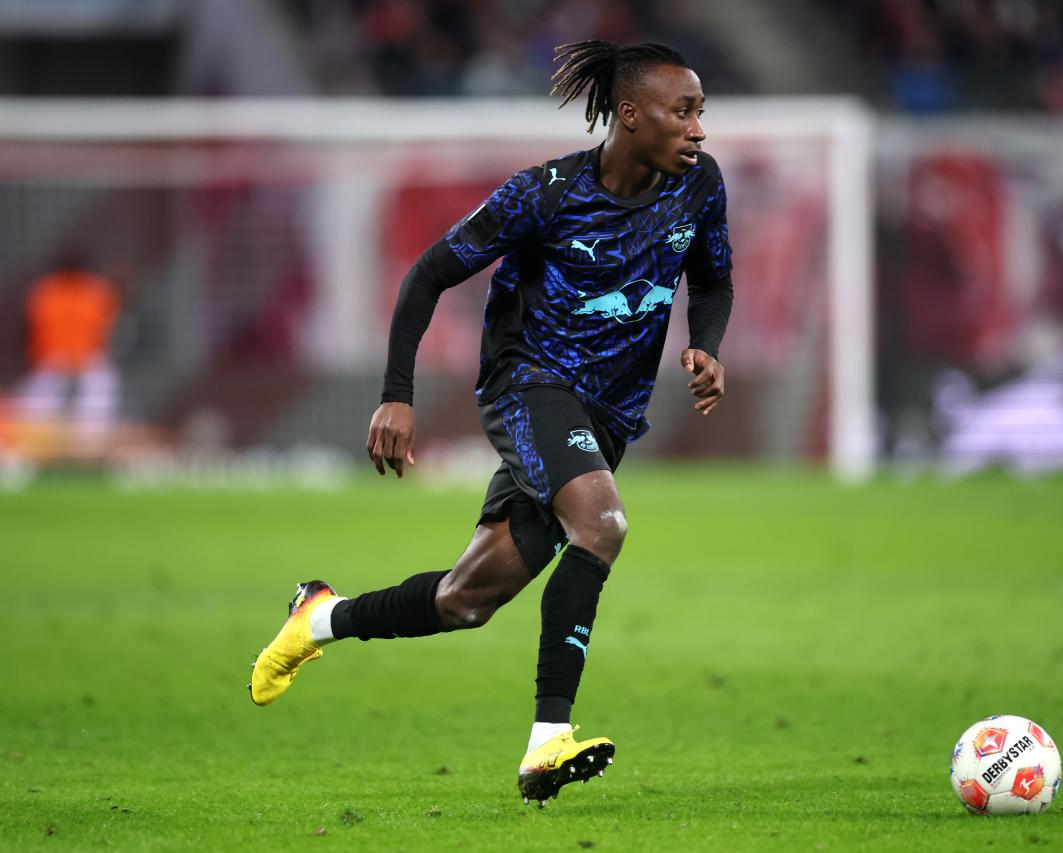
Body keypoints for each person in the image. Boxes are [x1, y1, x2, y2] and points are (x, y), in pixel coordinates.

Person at [248, 40, 734, 807]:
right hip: (528, 385)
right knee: (602, 524)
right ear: (631, 116)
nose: (699, 129)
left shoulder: (699, 185)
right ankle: (548, 742)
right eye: (684, 111)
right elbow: (428, 274)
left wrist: (706, 343)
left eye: (701, 111)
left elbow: (711, 277)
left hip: (607, 415)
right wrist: (397, 393)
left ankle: (320, 618)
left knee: (467, 598)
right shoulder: (545, 194)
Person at [18, 254, 121, 455]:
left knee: (93, 395)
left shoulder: (47, 291)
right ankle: (78, 447)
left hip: (69, 357)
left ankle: (82, 447)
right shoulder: (93, 291)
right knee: (93, 396)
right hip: (61, 357)